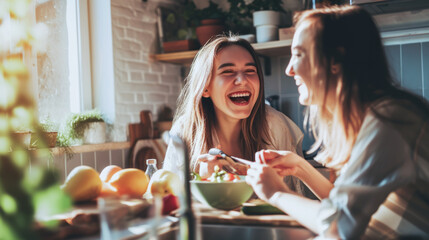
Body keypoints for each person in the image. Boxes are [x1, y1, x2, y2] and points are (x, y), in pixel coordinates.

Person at [246, 5, 429, 239]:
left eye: (299, 54)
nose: (289, 69)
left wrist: (276, 194)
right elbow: (347, 208)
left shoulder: (392, 119)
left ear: (335, 60)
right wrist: (301, 168)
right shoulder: (373, 118)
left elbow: (338, 227)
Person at [163, 35, 305, 194]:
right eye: (228, 71)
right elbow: (171, 198)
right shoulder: (184, 131)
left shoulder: (275, 125)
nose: (242, 80)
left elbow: (293, 196)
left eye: (250, 70)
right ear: (205, 88)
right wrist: (205, 183)